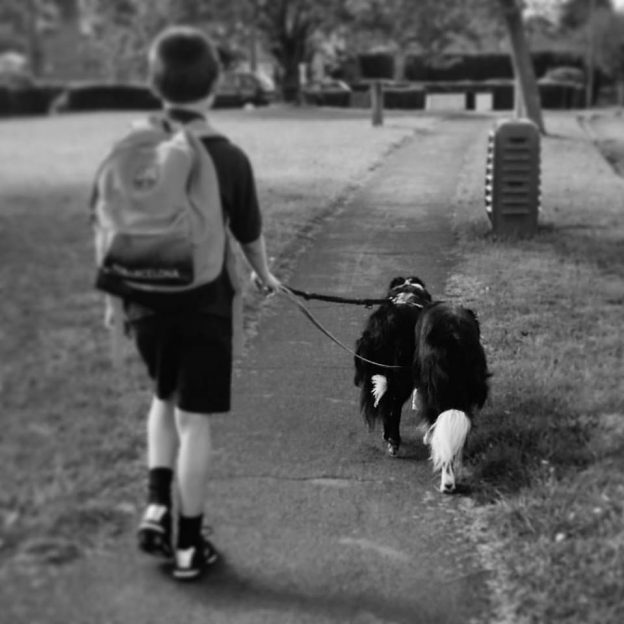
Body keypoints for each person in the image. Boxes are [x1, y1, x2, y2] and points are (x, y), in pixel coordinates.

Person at [100, 25, 281, 581]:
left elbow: (107, 220)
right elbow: (248, 231)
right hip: (203, 304)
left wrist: (115, 301)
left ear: (155, 84)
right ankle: (186, 545)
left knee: (162, 397)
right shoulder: (227, 157)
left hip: (144, 303)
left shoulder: (133, 149)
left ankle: (156, 503)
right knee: (194, 421)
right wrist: (263, 274)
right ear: (214, 84)